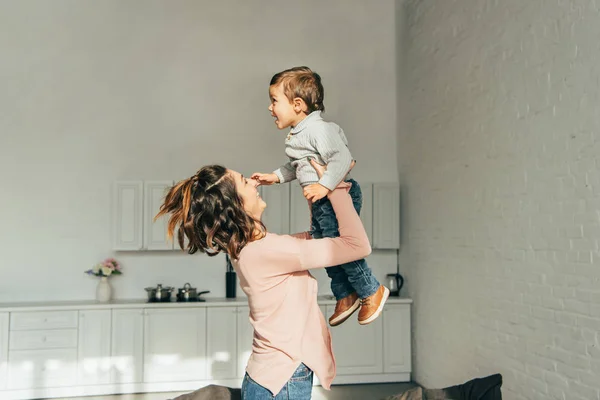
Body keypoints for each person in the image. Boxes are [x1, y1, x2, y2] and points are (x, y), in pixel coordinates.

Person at [155, 159, 370, 399]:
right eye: (245, 182)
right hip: (283, 381)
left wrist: (317, 187)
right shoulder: (267, 251)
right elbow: (357, 245)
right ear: (235, 205)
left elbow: (322, 237)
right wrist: (336, 185)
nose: (254, 183)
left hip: (272, 378)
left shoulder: (253, 248)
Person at [251, 66, 388, 327]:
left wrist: (325, 186)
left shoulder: (318, 130)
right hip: (321, 200)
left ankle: (371, 290)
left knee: (338, 247)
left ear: (298, 104)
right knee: (323, 246)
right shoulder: (301, 135)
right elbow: (298, 165)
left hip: (336, 196)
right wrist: (275, 176)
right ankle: (345, 294)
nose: (270, 108)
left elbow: (343, 158)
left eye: (274, 101)